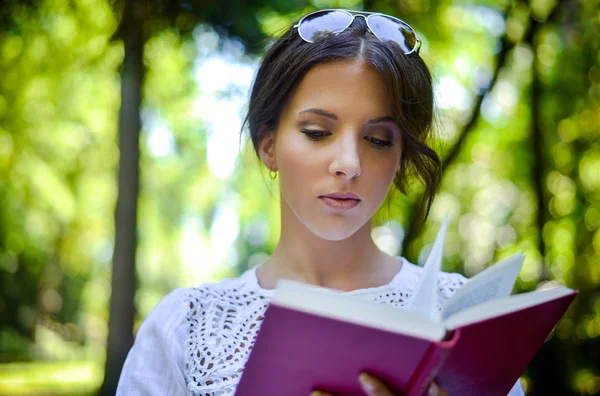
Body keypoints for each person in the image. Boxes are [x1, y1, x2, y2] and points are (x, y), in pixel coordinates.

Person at [116, 8, 525, 396]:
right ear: (269, 146)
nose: (348, 164)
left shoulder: (461, 322)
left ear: (399, 158)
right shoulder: (187, 326)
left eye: (378, 140)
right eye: (316, 131)